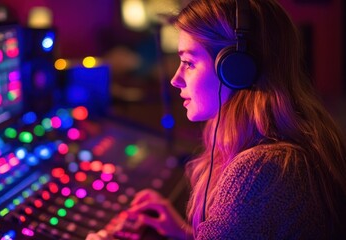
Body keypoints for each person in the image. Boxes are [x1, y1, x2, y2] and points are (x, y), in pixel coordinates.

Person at [87, 0, 346, 239]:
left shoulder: (260, 169)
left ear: (235, 70)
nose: (175, 79)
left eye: (188, 62)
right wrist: (184, 233)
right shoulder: (291, 142)